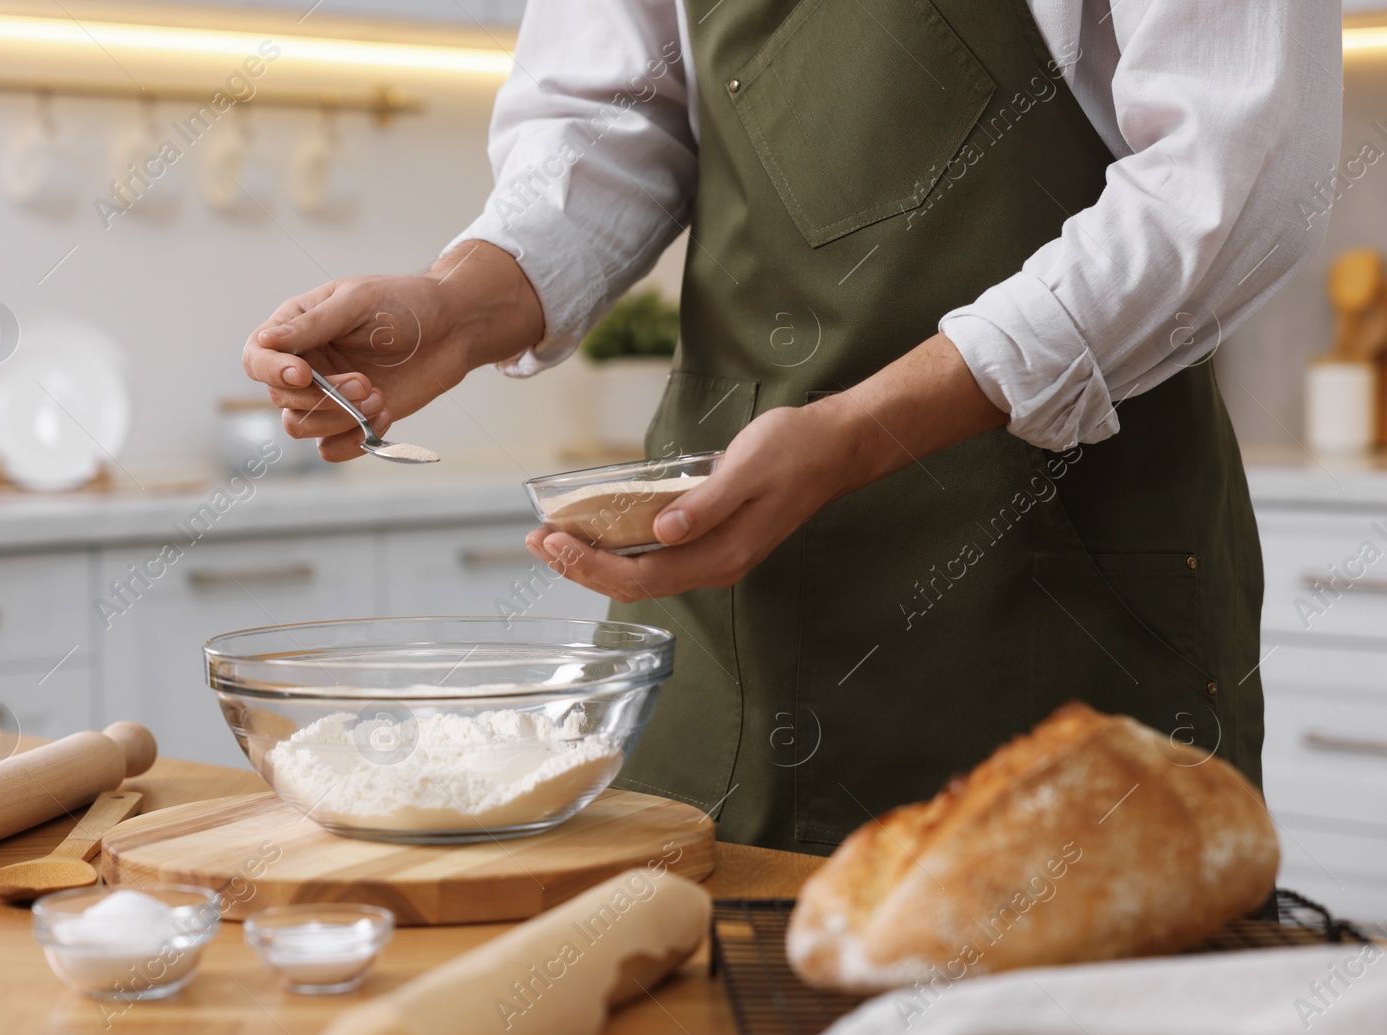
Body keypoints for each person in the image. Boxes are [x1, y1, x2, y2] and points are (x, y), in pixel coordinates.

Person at [243, 1, 1342, 853]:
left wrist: (862, 431)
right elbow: (609, 118)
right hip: (735, 616)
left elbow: (1234, 175)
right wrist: (460, 306)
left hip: (1061, 581)